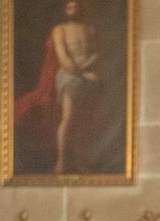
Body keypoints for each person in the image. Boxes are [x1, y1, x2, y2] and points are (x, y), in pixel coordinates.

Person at [51, 0, 99, 174]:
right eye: (70, 7)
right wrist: (83, 73)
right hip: (70, 77)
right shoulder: (60, 30)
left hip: (88, 78)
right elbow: (63, 59)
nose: (73, 9)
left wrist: (87, 67)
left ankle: (80, 161)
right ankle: (61, 161)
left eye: (76, 6)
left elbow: (95, 53)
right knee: (68, 118)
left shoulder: (89, 29)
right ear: (65, 9)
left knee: (82, 121)